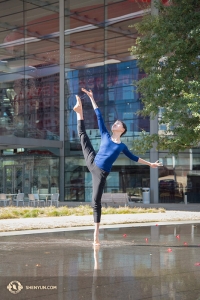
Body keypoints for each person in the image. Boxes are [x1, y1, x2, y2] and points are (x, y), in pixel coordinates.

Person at [73, 88, 162, 246]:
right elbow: (98, 115)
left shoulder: (122, 147)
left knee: (95, 201)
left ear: (122, 130)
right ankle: (79, 112)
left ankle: (96, 234)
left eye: (118, 123)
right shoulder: (106, 134)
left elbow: (134, 158)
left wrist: (150, 164)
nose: (115, 123)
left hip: (100, 173)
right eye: (115, 122)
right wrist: (92, 98)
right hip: (92, 160)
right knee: (83, 136)